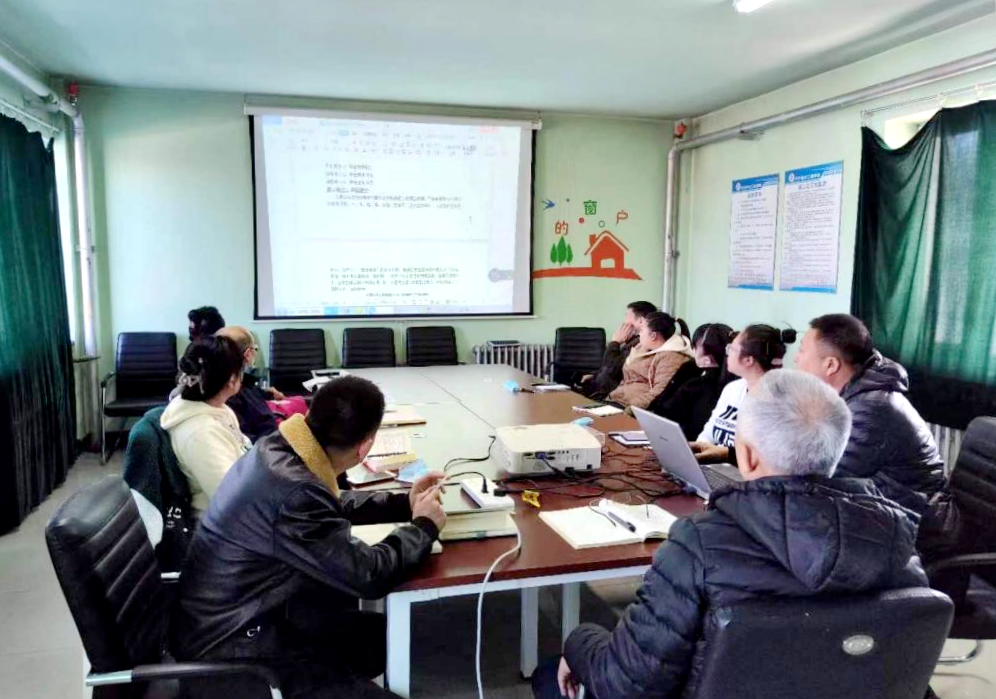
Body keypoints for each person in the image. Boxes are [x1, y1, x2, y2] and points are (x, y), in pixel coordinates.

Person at [534, 370, 928, 699]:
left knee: (548, 675)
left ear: (748, 457)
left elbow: (624, 684)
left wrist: (578, 641)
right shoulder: (898, 543)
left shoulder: (698, 543)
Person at [170, 376, 445, 699]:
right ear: (365, 446)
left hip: (241, 620)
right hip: (236, 656)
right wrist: (423, 527)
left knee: (380, 637)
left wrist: (403, 503)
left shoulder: (279, 448)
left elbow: (325, 502)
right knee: (377, 637)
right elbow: (369, 575)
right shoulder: (296, 491)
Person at [794, 313, 961, 560]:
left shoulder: (871, 410)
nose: (796, 359)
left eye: (801, 351)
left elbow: (820, 480)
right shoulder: (855, 394)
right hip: (887, 513)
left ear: (830, 365)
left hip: (920, 531)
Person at [160, 336, 251, 517]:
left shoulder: (217, 408)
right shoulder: (201, 435)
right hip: (226, 523)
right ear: (232, 379)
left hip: (249, 489)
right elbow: (233, 502)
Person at [691, 324, 796, 463]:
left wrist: (726, 455)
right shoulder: (733, 389)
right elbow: (707, 434)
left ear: (748, 360)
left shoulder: (784, 401)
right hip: (716, 468)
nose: (727, 353)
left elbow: (771, 459)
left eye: (732, 349)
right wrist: (697, 452)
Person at [648, 323, 736, 439]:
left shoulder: (696, 385)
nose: (693, 352)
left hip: (687, 441)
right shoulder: (691, 370)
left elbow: (664, 410)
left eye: (695, 347)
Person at [607, 312, 693, 410]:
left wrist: (629, 410)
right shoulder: (641, 348)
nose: (639, 334)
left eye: (642, 330)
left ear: (653, 336)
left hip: (633, 409)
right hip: (618, 401)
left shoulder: (672, 358)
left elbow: (659, 393)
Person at [216, 326, 283, 442]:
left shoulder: (242, 383)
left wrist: (268, 393)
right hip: (268, 447)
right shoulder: (229, 393)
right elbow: (247, 443)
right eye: (255, 349)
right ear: (248, 354)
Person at [580, 301, 657, 399]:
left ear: (640, 321)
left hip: (607, 394)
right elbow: (611, 365)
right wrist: (595, 375)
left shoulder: (641, 345)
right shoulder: (633, 340)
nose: (624, 321)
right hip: (600, 387)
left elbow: (613, 369)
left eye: (627, 315)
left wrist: (615, 342)